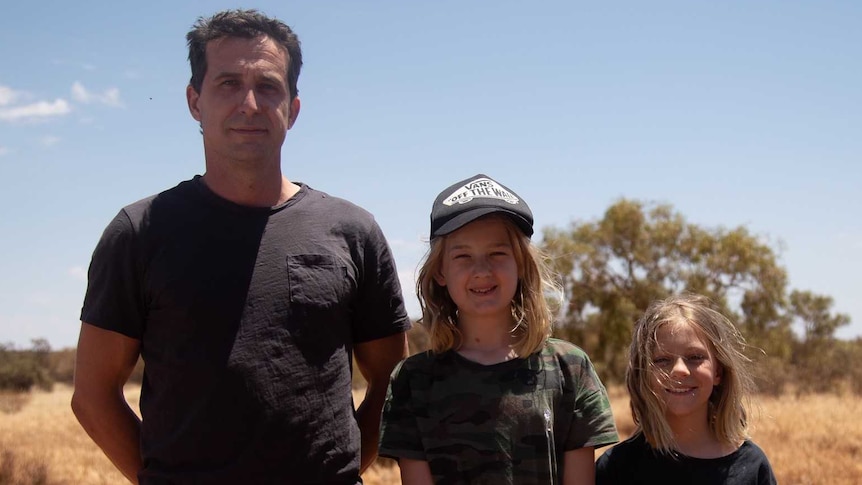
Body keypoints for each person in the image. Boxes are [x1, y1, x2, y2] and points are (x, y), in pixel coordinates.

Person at [71, 9, 411, 484]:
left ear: (293, 108)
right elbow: (93, 395)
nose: (249, 103)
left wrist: (346, 468)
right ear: (195, 101)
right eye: (227, 84)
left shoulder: (352, 232)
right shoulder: (139, 232)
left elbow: (392, 383)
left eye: (268, 86)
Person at [379, 174, 619, 484]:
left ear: (521, 264)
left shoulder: (569, 368)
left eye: (498, 254)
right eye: (463, 256)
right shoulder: (412, 381)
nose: (482, 270)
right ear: (440, 271)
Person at [596, 294, 777, 485]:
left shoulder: (752, 467)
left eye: (695, 357)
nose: (679, 370)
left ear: (718, 372)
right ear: (644, 375)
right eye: (662, 360)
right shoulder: (617, 467)